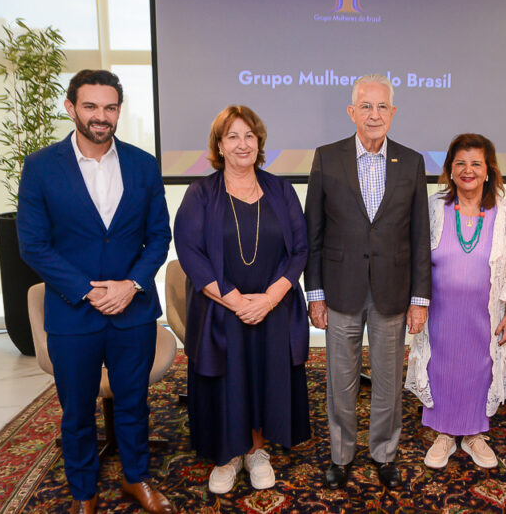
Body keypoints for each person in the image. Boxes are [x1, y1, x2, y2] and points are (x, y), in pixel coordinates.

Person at [17, 70, 174, 514]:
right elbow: (33, 245)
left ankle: (136, 479)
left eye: (110, 107)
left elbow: (158, 237)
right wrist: (87, 292)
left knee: (134, 404)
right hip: (73, 314)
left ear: (119, 111)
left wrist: (131, 285)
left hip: (133, 310)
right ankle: (84, 493)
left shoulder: (143, 164)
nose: (100, 116)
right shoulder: (41, 167)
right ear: (71, 108)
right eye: (91, 106)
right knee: (77, 413)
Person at [174, 105, 310, 495]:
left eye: (249, 135)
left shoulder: (281, 191)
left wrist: (268, 299)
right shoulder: (200, 193)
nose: (242, 143)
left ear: (259, 141)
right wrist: (237, 301)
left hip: (274, 309)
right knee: (227, 381)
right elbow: (191, 253)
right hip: (221, 310)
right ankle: (227, 456)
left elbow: (299, 250)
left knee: (266, 377)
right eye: (232, 136)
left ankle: (256, 451)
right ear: (219, 144)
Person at [304, 74, 431, 489]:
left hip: (393, 294)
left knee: (388, 383)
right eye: (366, 106)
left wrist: (419, 298)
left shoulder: (412, 162)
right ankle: (341, 456)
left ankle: (384, 454)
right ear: (351, 111)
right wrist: (315, 293)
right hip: (340, 292)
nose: (374, 115)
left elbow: (419, 236)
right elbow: (314, 232)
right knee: (340, 381)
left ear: (392, 113)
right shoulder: (327, 157)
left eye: (382, 107)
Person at [409, 134, 506, 470]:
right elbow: (416, 259)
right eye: (460, 163)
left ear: (488, 170)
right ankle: (444, 432)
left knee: (479, 368)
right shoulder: (434, 208)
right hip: (440, 312)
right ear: (449, 169)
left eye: (476, 163)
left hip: (486, 313)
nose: (468, 169)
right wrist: (414, 302)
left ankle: (474, 433)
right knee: (441, 366)